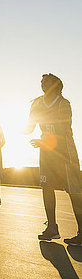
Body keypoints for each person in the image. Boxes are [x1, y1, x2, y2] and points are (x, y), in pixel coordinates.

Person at [25, 73, 82, 245]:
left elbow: (62, 130)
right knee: (47, 187)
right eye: (41, 81)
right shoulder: (36, 103)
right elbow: (29, 128)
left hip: (65, 151)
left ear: (56, 85)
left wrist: (43, 141)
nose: (42, 84)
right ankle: (52, 228)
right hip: (47, 152)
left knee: (74, 191)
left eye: (47, 81)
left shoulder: (63, 104)